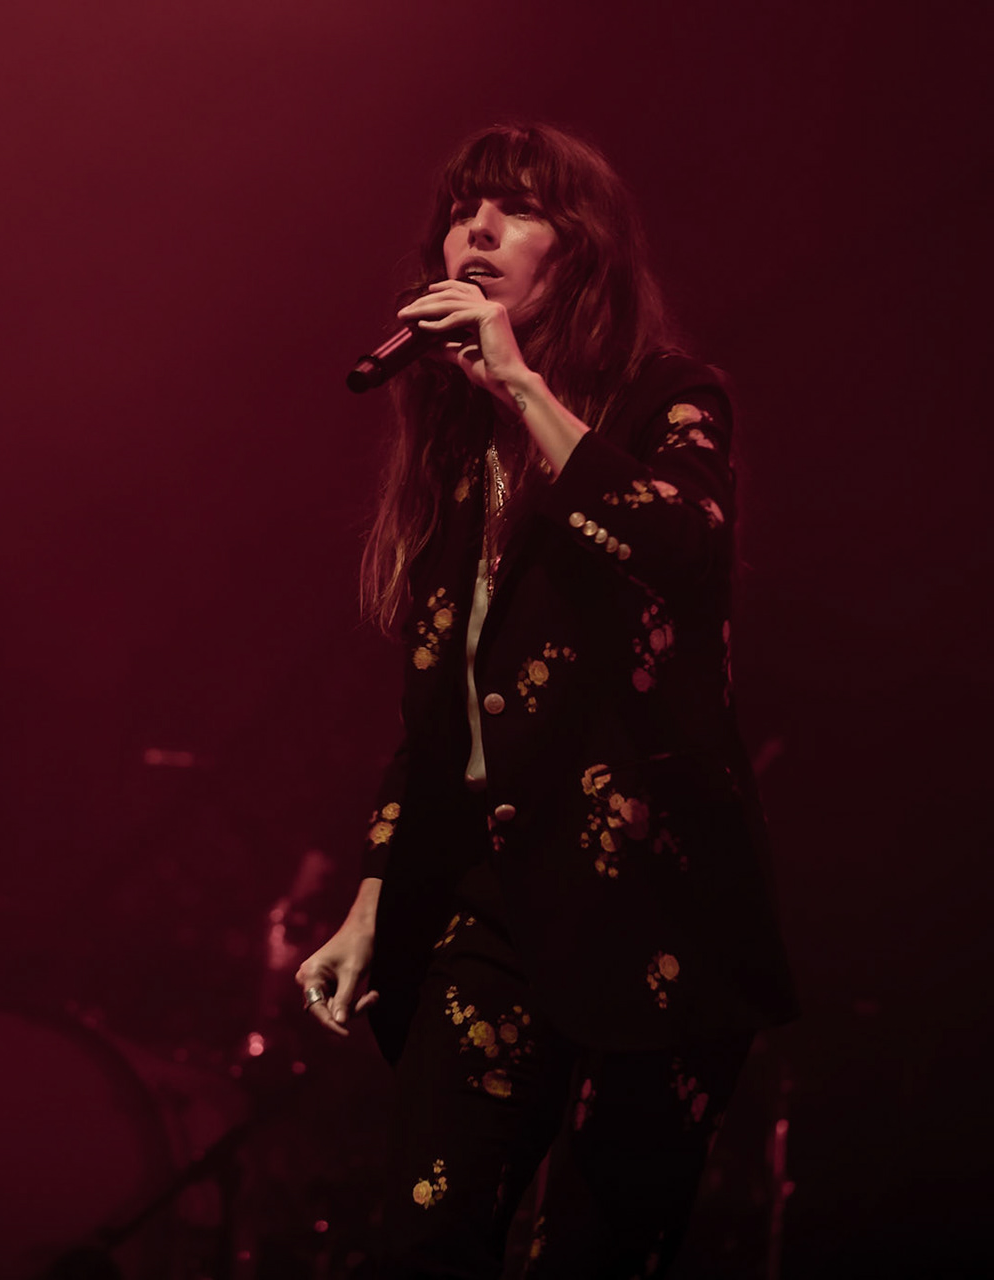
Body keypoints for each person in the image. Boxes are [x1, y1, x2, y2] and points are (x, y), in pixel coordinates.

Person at [295, 122, 798, 1278]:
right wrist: (374, 896)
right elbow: (442, 722)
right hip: (494, 900)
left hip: (654, 903)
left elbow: (683, 544)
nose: (474, 229)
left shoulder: (672, 401)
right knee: (427, 1238)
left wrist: (519, 381)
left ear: (583, 256)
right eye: (463, 210)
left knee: (600, 1253)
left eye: (515, 210)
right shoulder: (457, 457)